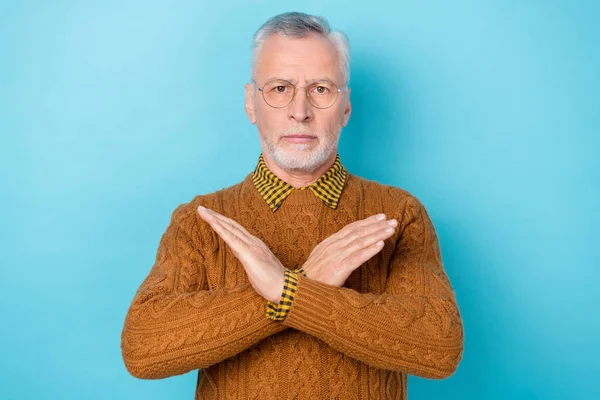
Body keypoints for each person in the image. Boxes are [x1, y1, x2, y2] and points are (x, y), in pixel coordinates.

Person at [120, 11, 464, 399]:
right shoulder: (202, 221)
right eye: (280, 88)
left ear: (345, 107)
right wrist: (292, 292)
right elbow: (142, 348)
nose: (300, 111)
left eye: (320, 89)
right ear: (252, 104)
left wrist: (287, 289)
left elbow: (439, 347)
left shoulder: (397, 215)